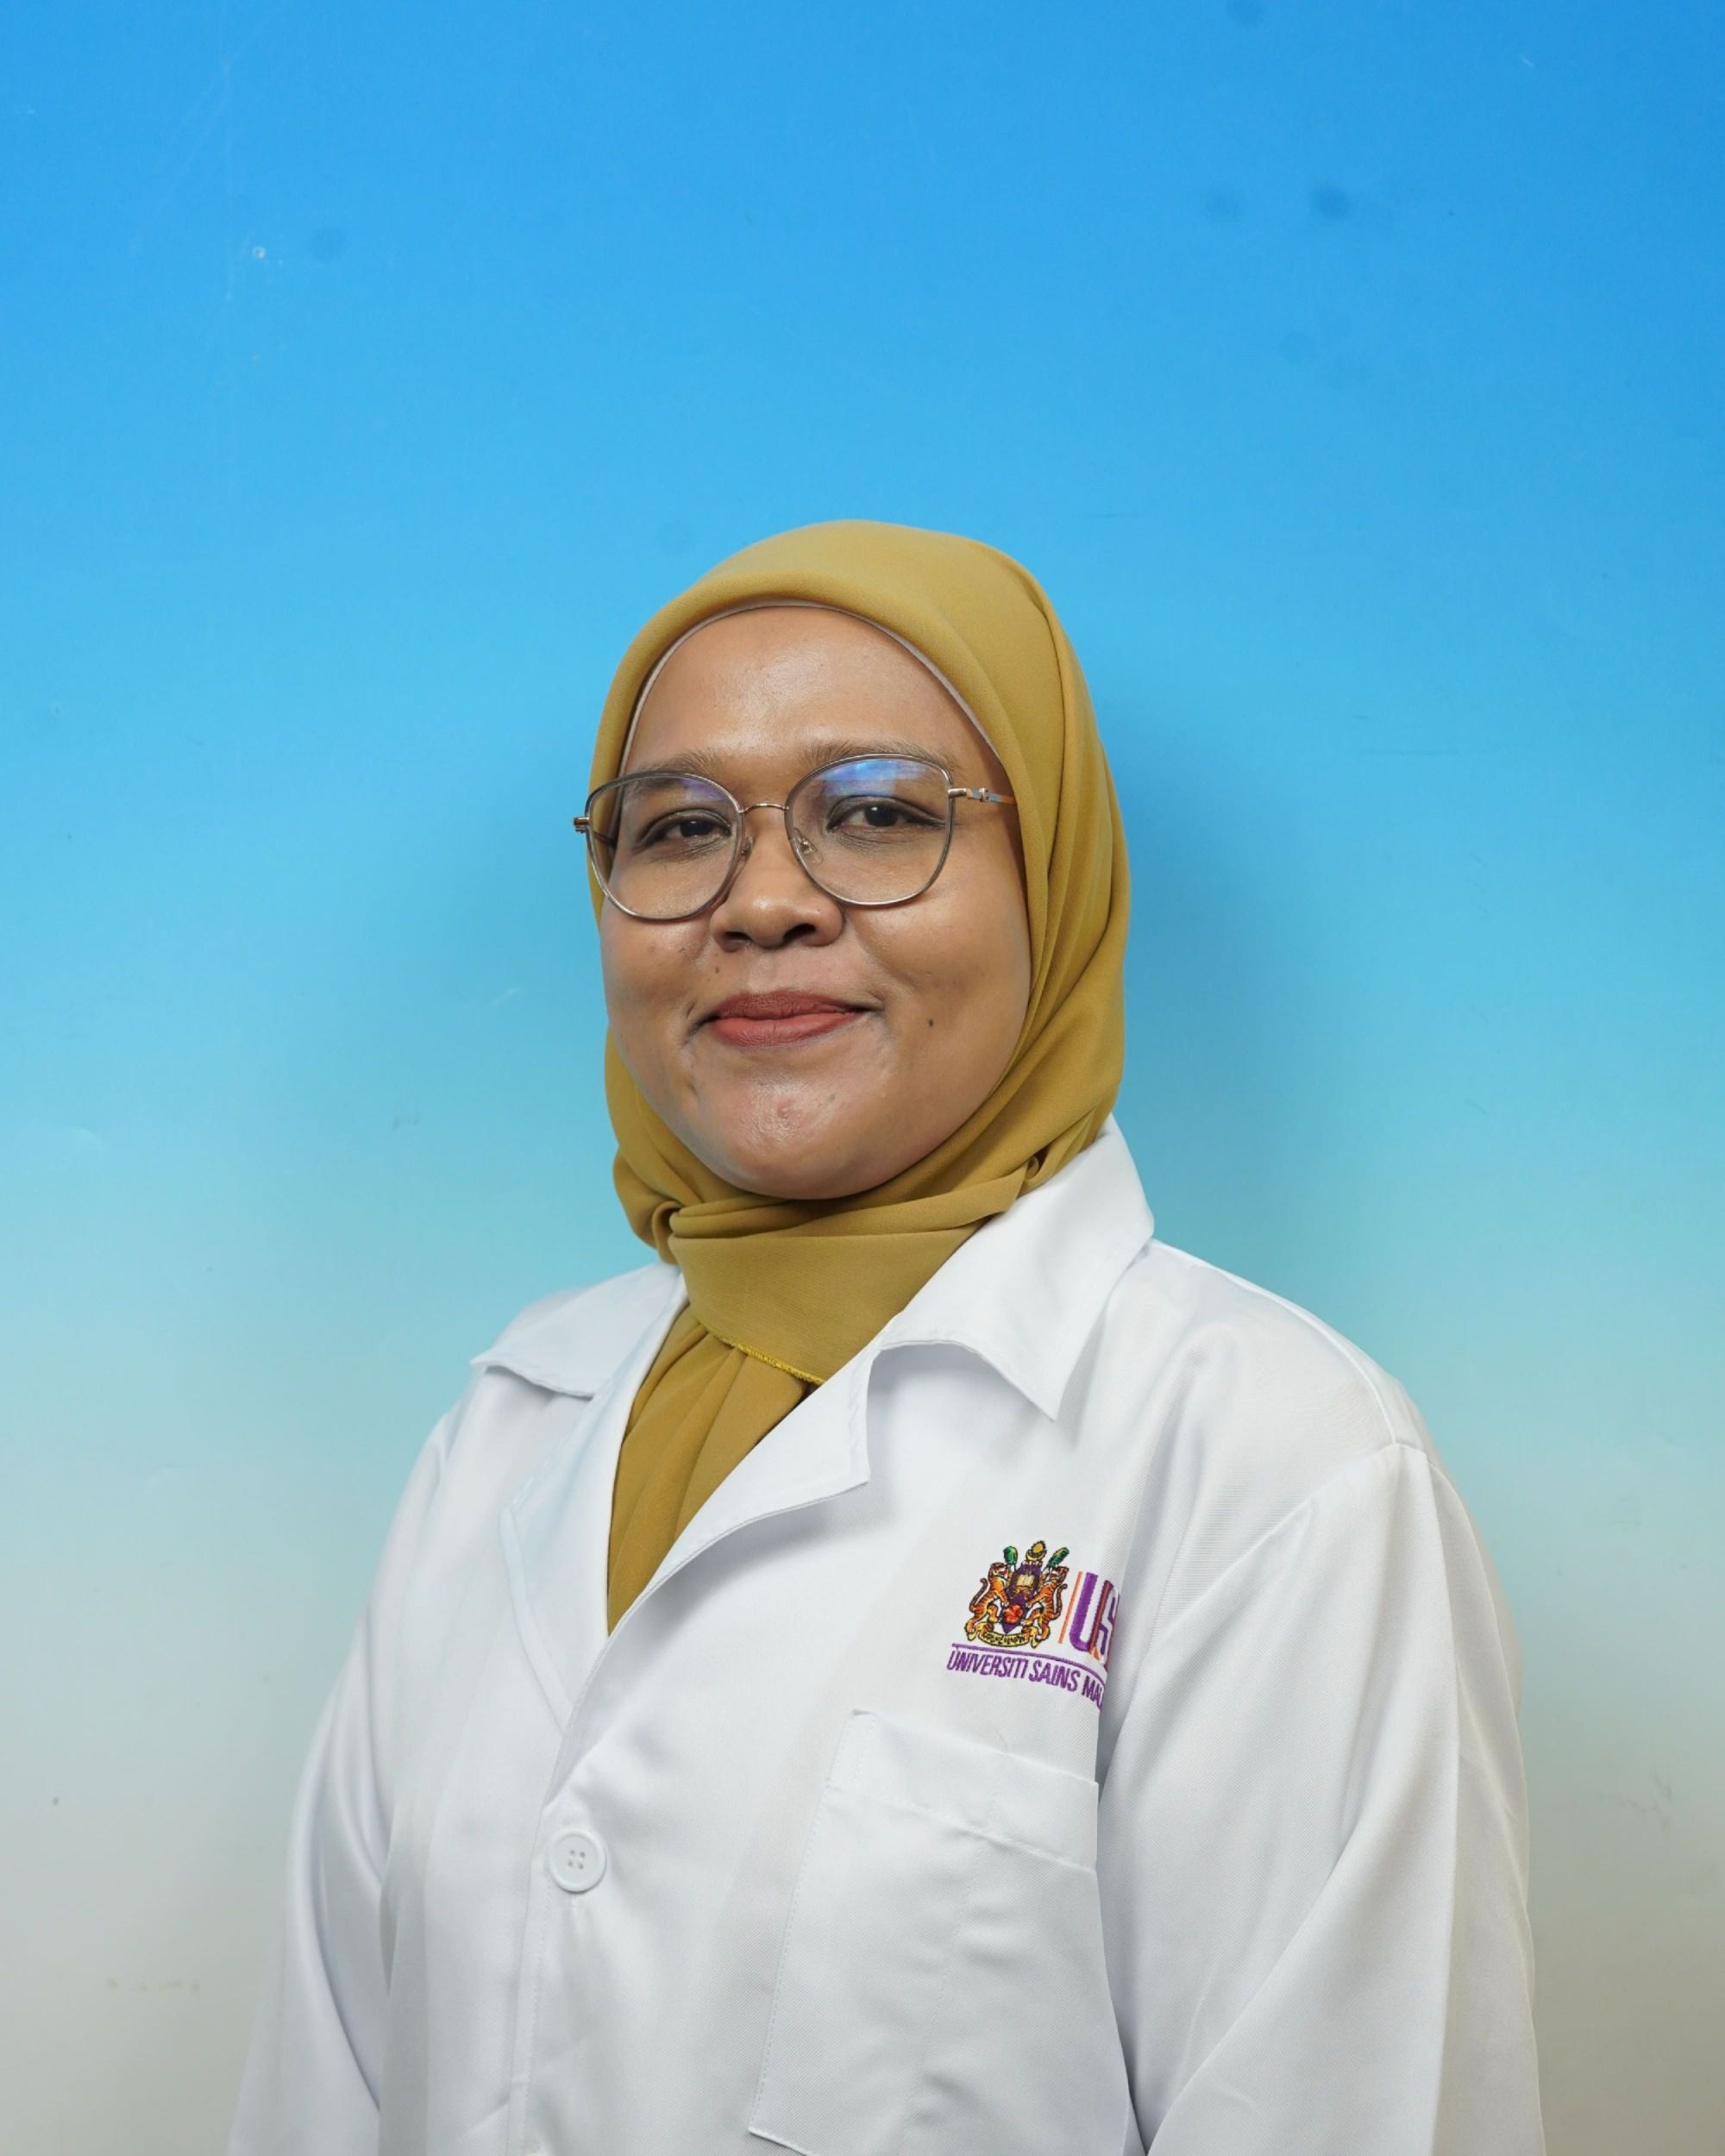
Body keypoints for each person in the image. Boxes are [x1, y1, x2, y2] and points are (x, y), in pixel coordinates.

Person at [228, 519, 1546, 2155]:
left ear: (1053, 880)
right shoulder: (508, 1427)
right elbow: (323, 2094)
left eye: (875, 815)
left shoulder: (1279, 1471)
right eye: (679, 827)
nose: (763, 902)